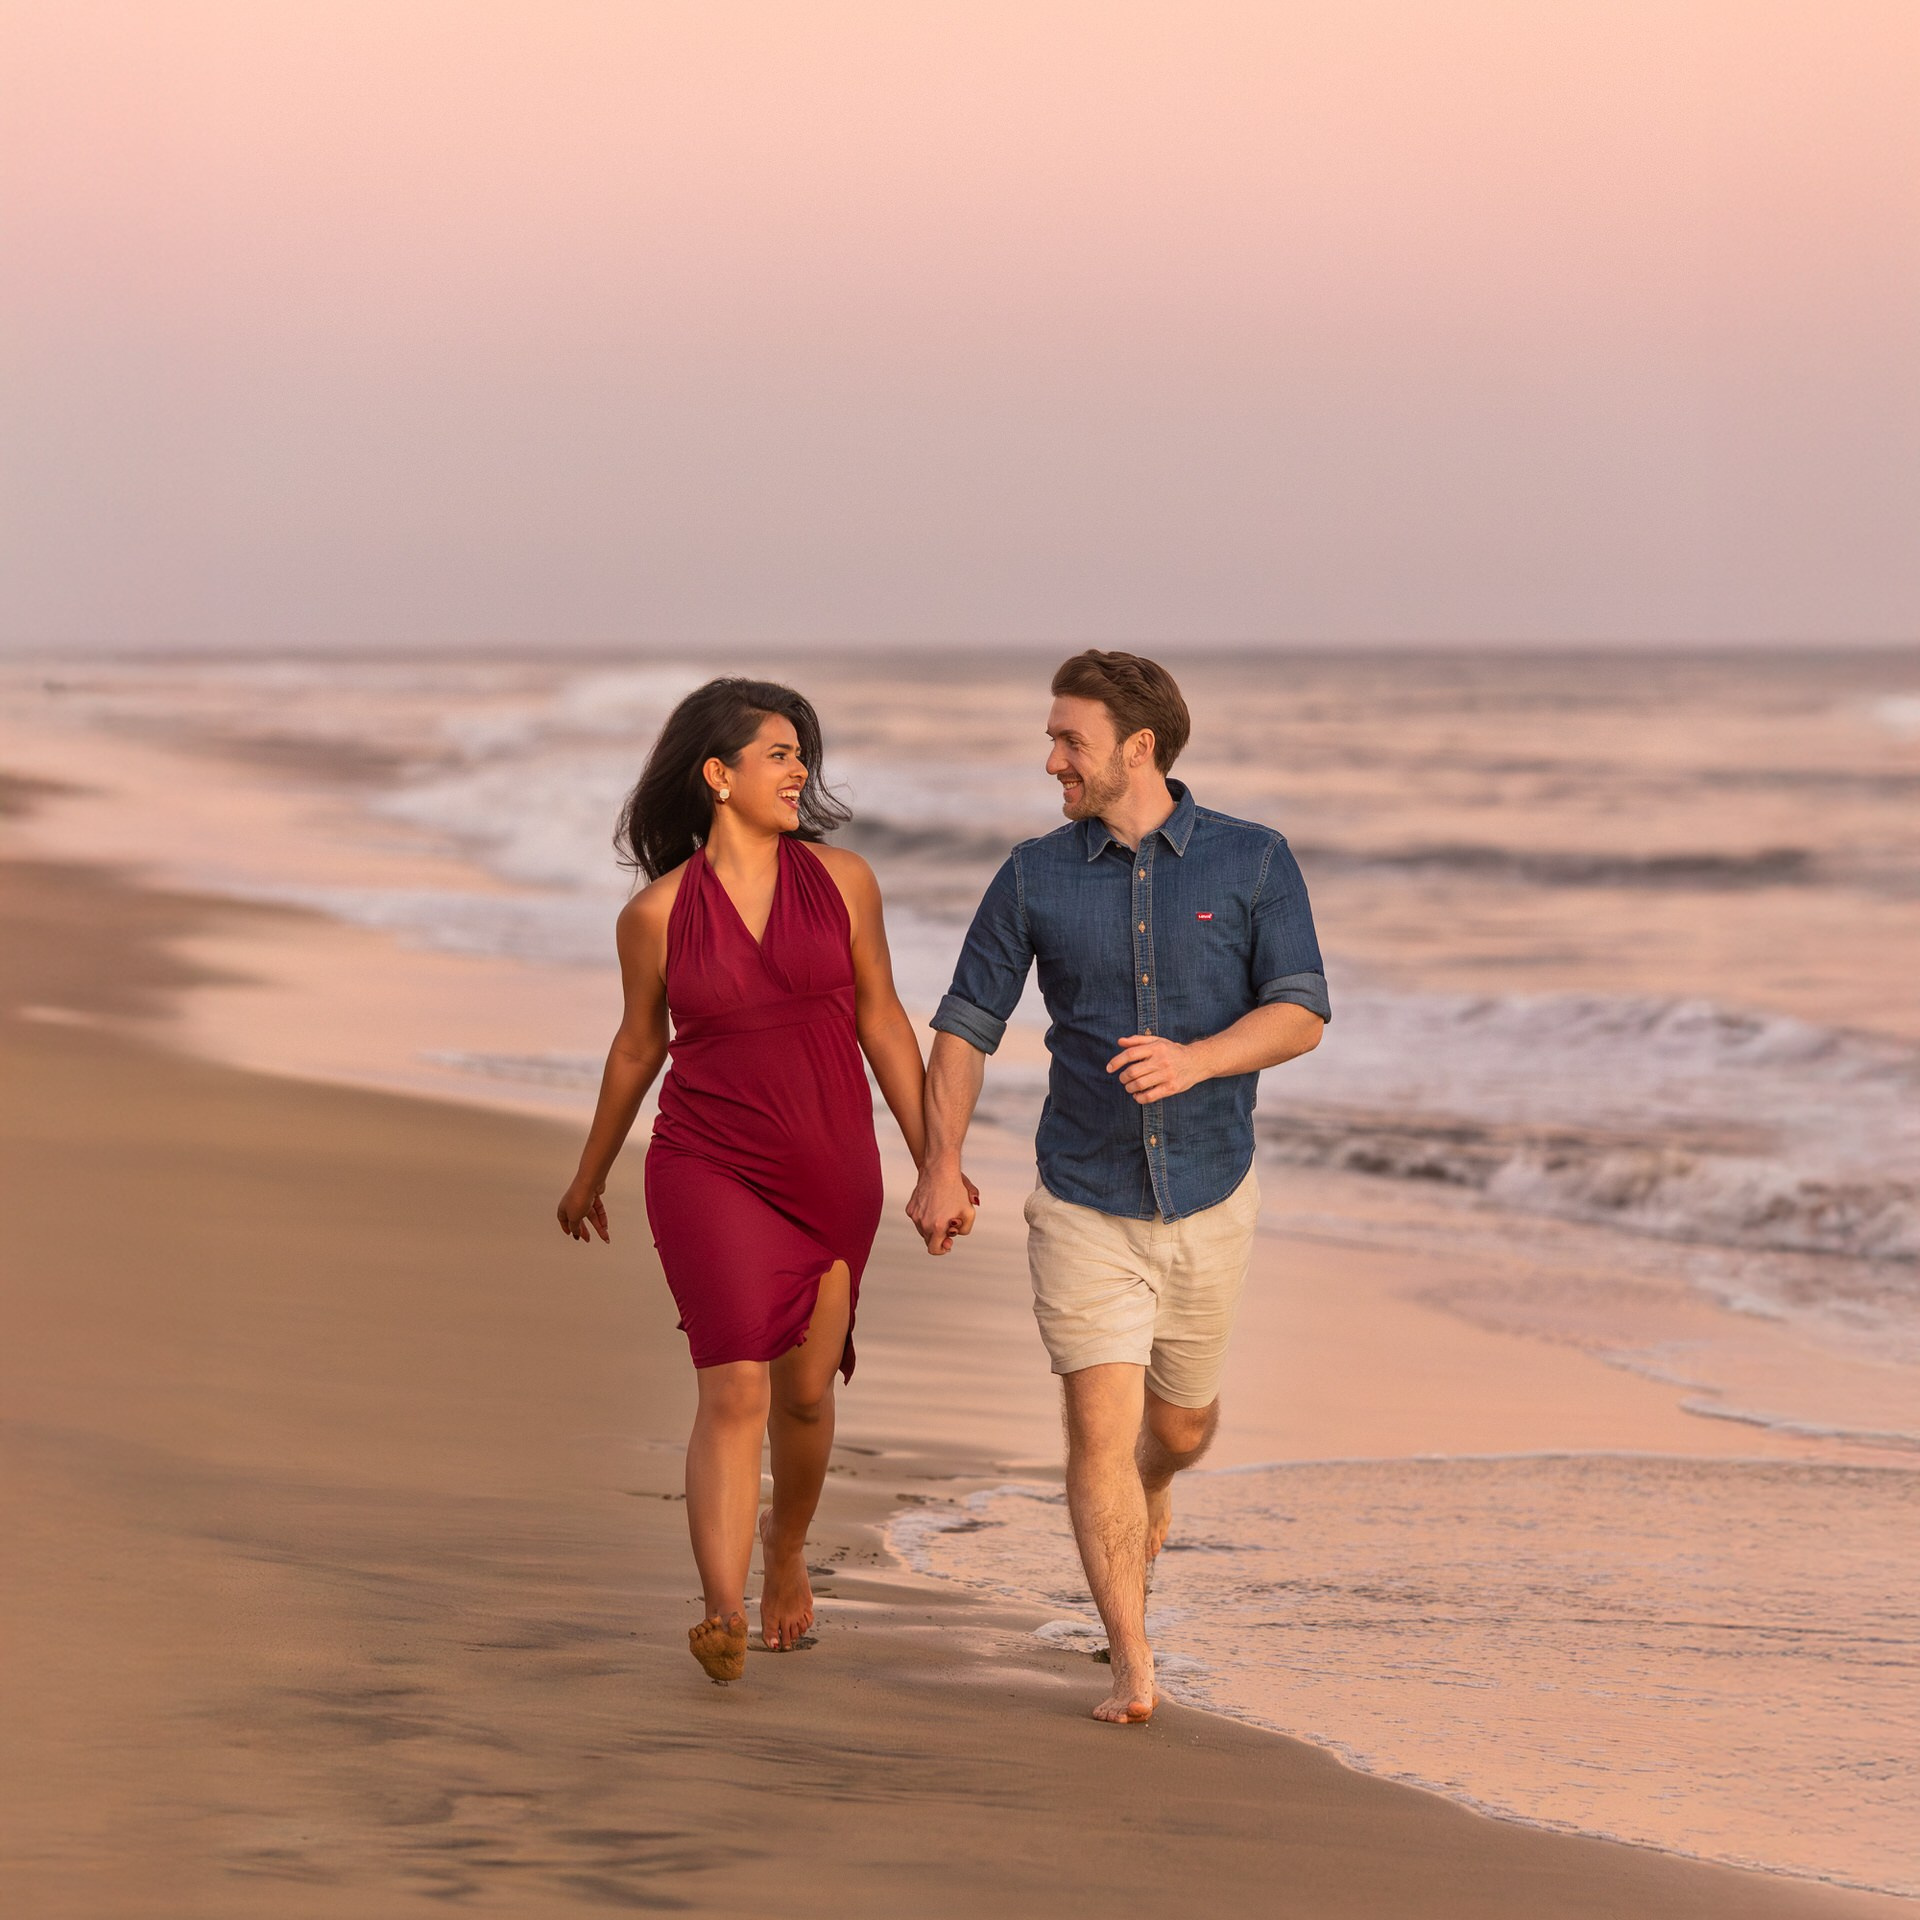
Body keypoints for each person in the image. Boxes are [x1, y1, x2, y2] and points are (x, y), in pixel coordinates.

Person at [907, 651, 1328, 1725]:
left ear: (1136, 748)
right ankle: (1134, 1662)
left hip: (1209, 1192)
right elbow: (965, 1024)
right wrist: (938, 1161)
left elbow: (1302, 1012)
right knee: (1097, 1431)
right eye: (1052, 738)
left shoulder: (1253, 860)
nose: (1051, 759)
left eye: (1069, 740)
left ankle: (1161, 1483)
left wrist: (1198, 1059)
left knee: (1174, 1433)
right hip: (1084, 1194)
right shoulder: (1034, 874)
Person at [557, 678, 948, 1685]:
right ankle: (722, 1608)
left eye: (800, 753)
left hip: (829, 1165)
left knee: (806, 1399)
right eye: (778, 753)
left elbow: (883, 1022)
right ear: (717, 775)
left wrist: (935, 1160)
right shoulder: (653, 917)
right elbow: (638, 1050)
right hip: (706, 1162)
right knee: (733, 1387)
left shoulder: (845, 881)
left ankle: (785, 1552)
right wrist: (591, 1171)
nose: (799, 770)